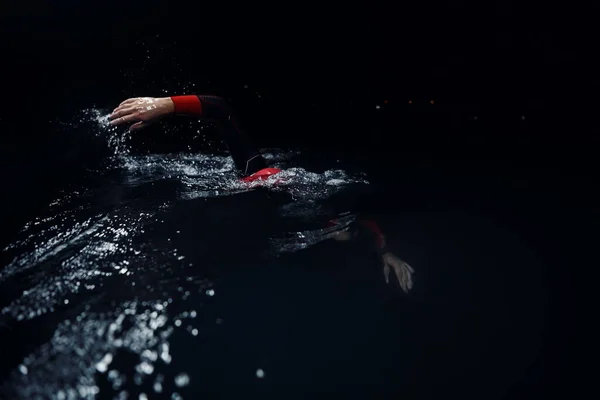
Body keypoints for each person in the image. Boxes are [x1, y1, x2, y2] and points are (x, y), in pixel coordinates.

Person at [109, 95, 414, 292]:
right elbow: (221, 110)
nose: (342, 232)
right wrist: (166, 105)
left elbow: (363, 225)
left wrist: (387, 254)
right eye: (343, 232)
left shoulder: (295, 233)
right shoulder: (279, 185)